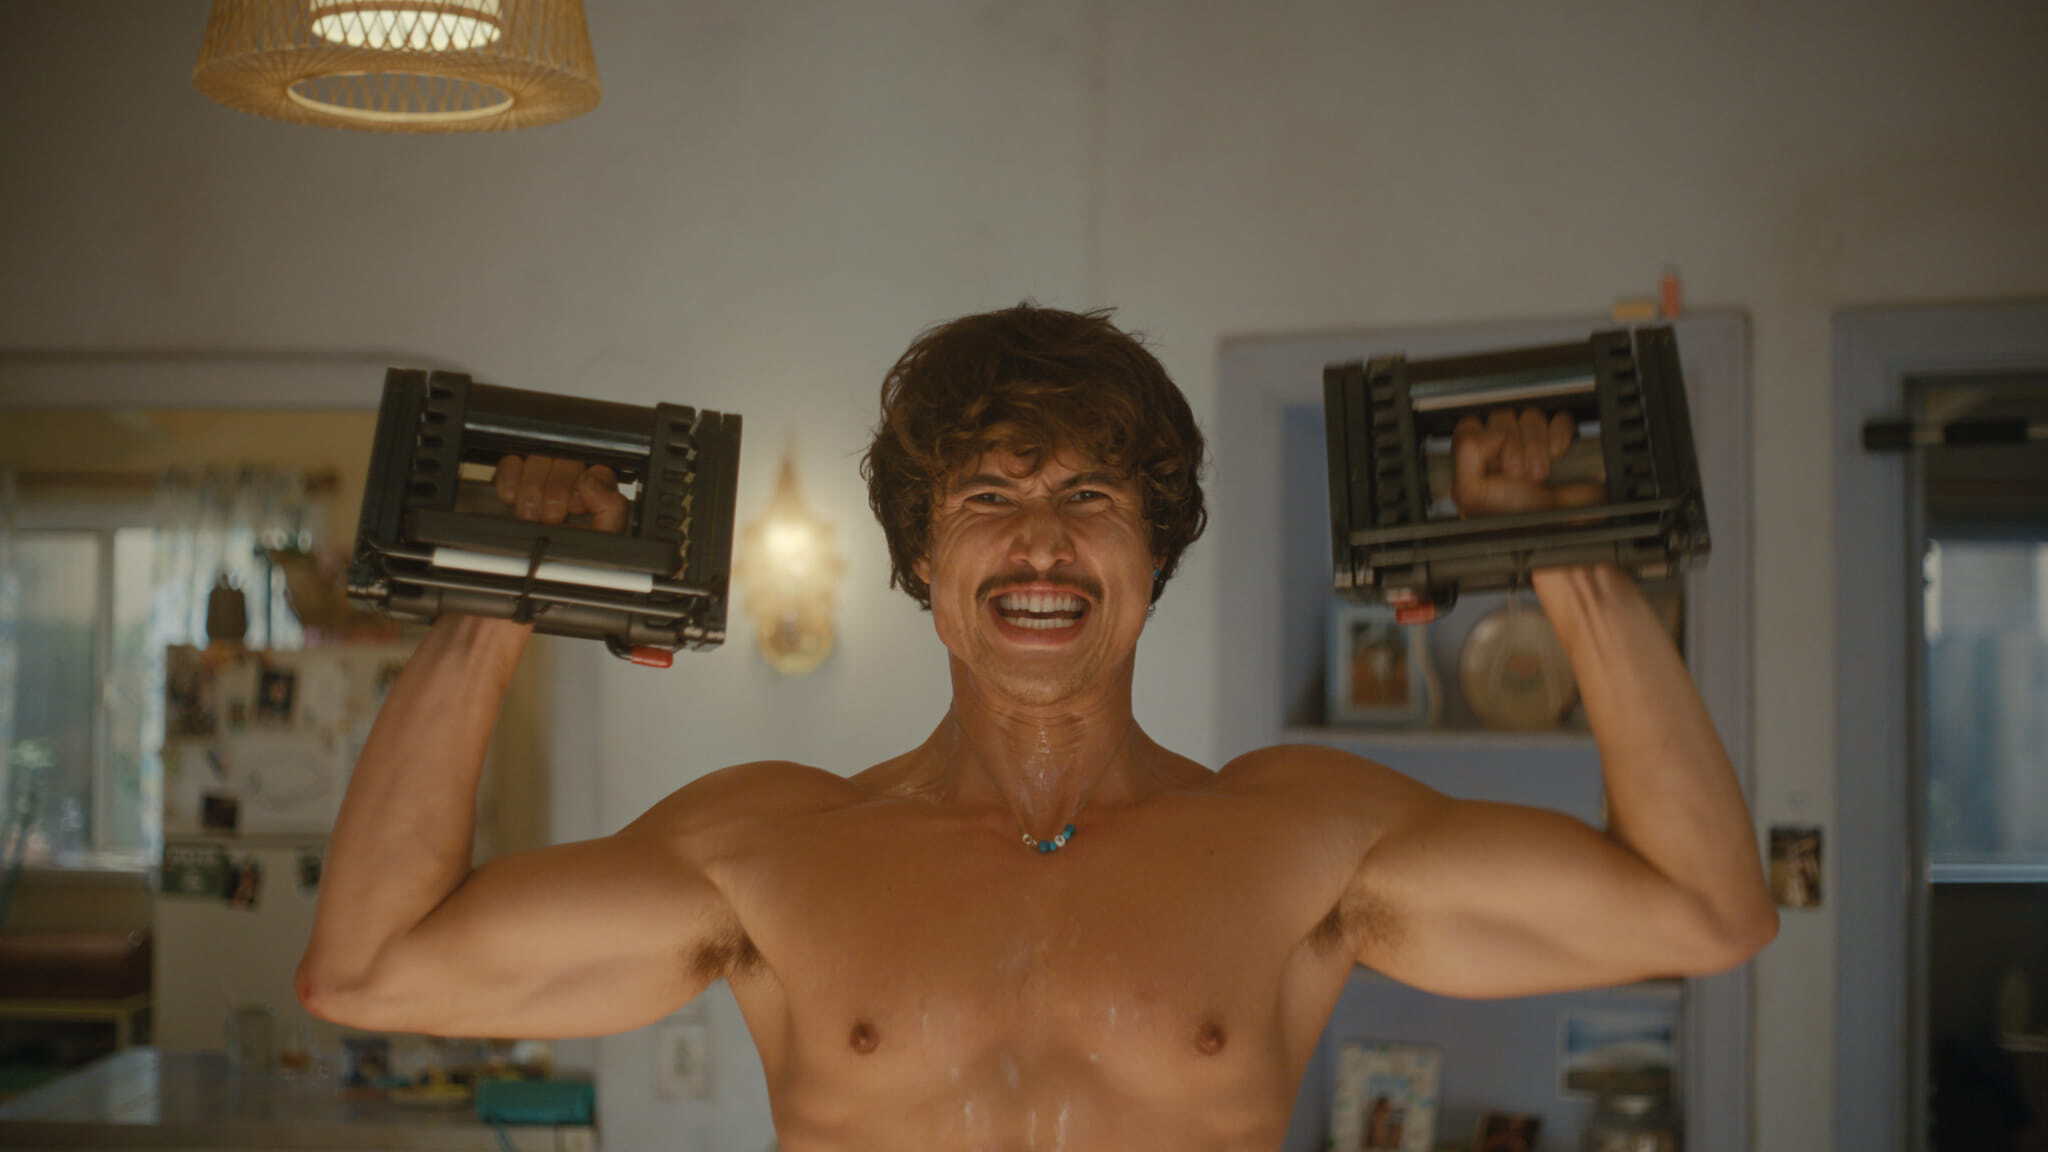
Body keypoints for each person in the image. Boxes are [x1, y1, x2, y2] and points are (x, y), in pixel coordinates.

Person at [295, 304, 1777, 1149]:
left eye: (1092, 499)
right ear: (923, 568)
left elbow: (1706, 910)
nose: (1043, 544)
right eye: (989, 501)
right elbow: (370, 968)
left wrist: (1575, 549)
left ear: (1155, 557)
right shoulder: (770, 848)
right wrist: (499, 593)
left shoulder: (1302, 838)